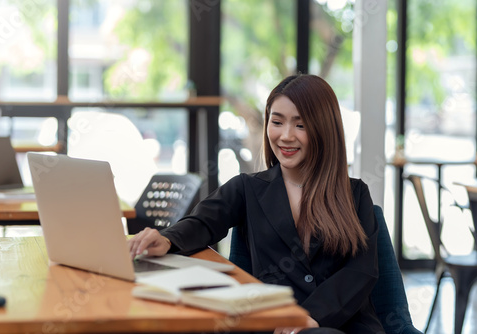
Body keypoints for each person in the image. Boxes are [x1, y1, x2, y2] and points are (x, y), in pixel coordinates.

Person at [128, 74, 384, 334]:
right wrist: (168, 240)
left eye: (300, 125)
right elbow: (203, 221)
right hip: (271, 324)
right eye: (277, 122)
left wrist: (309, 317)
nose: (285, 136)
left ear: (324, 129)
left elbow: (361, 271)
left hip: (343, 326)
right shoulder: (247, 188)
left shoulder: (355, 195)